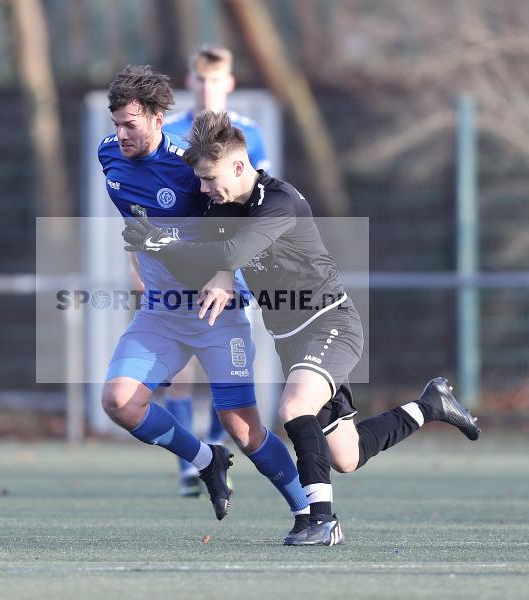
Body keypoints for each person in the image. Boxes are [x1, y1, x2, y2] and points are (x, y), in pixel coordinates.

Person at [123, 110, 481, 546]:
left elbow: (234, 249)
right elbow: (208, 253)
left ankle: (322, 521)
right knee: (346, 456)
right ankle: (431, 404)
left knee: (294, 408)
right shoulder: (226, 205)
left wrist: (164, 243)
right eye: (198, 180)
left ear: (239, 166)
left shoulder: (279, 202)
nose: (203, 189)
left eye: (209, 178)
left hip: (328, 323)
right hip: (291, 340)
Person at [98, 65, 309, 526]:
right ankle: (205, 461)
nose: (120, 134)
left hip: (216, 312)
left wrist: (224, 273)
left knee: (243, 427)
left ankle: (310, 510)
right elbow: (136, 224)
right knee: (118, 401)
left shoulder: (188, 168)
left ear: (157, 118)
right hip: (160, 312)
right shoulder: (108, 155)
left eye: (130, 124)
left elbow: (235, 225)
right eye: (115, 124)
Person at [159, 46, 272, 496]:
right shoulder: (169, 131)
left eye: (216, 80)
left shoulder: (249, 133)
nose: (207, 87)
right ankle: (192, 461)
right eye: (200, 79)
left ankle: (213, 446)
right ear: (189, 81)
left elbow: (260, 197)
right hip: (181, 261)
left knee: (226, 360)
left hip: (231, 261)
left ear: (229, 83)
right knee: (180, 363)